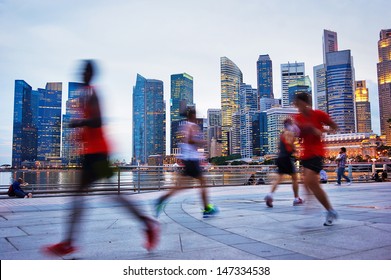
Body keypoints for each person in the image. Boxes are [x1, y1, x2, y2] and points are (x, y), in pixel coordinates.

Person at [44, 60, 159, 256]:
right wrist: (79, 133)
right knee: (107, 195)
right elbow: (90, 125)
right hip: (92, 154)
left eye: (86, 71)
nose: (82, 74)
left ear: (91, 73)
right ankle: (147, 224)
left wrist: (79, 122)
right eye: (82, 70)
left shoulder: (92, 94)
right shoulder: (84, 95)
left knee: (88, 196)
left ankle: (69, 242)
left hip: (97, 154)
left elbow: (98, 121)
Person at [154, 107, 218, 218]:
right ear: (192, 115)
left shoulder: (184, 126)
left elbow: (185, 141)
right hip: (192, 160)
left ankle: (162, 199)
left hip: (189, 160)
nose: (196, 117)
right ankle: (207, 208)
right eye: (195, 115)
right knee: (202, 182)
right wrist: (201, 141)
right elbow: (189, 140)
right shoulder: (191, 126)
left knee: (181, 186)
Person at [293, 92, 339, 226]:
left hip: (317, 152)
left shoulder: (318, 115)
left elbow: (334, 127)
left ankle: (329, 210)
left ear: (306, 103)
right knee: (309, 183)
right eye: (296, 104)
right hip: (305, 154)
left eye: (298, 103)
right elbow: (297, 134)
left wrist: (321, 131)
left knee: (310, 181)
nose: (297, 106)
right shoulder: (298, 118)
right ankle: (328, 209)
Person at [264, 118, 303, 207]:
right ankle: (296, 199)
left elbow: (279, 146)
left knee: (279, 178)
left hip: (280, 157)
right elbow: (289, 142)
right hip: (286, 158)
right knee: (295, 178)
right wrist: (295, 149)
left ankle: (270, 195)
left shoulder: (282, 134)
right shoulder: (289, 133)